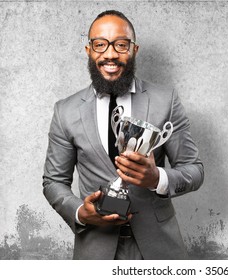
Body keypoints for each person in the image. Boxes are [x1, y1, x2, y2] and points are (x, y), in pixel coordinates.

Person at [42, 10, 204, 260]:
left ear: (134, 50)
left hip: (159, 249)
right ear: (89, 51)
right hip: (95, 248)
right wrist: (80, 213)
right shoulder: (65, 111)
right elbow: (53, 182)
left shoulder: (165, 100)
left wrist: (156, 178)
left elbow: (194, 170)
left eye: (120, 45)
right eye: (100, 45)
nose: (110, 54)